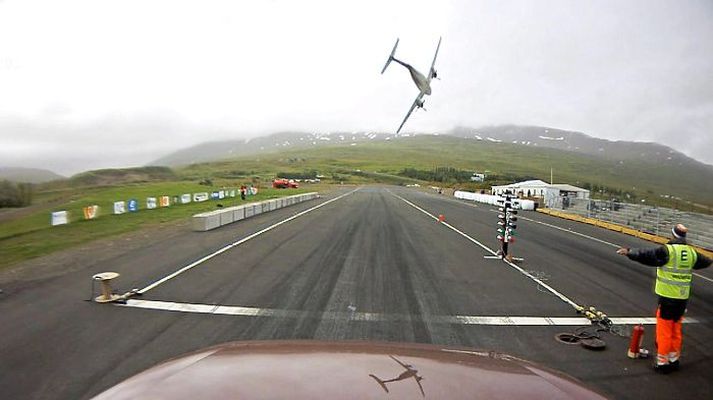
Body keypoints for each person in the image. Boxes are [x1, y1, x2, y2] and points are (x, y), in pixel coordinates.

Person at [617, 224, 711, 373]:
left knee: (664, 331)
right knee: (676, 329)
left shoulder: (668, 250)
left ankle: (662, 362)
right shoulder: (692, 252)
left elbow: (647, 256)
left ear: (673, 235)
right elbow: (706, 261)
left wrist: (629, 252)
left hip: (668, 297)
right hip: (682, 298)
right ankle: (674, 360)